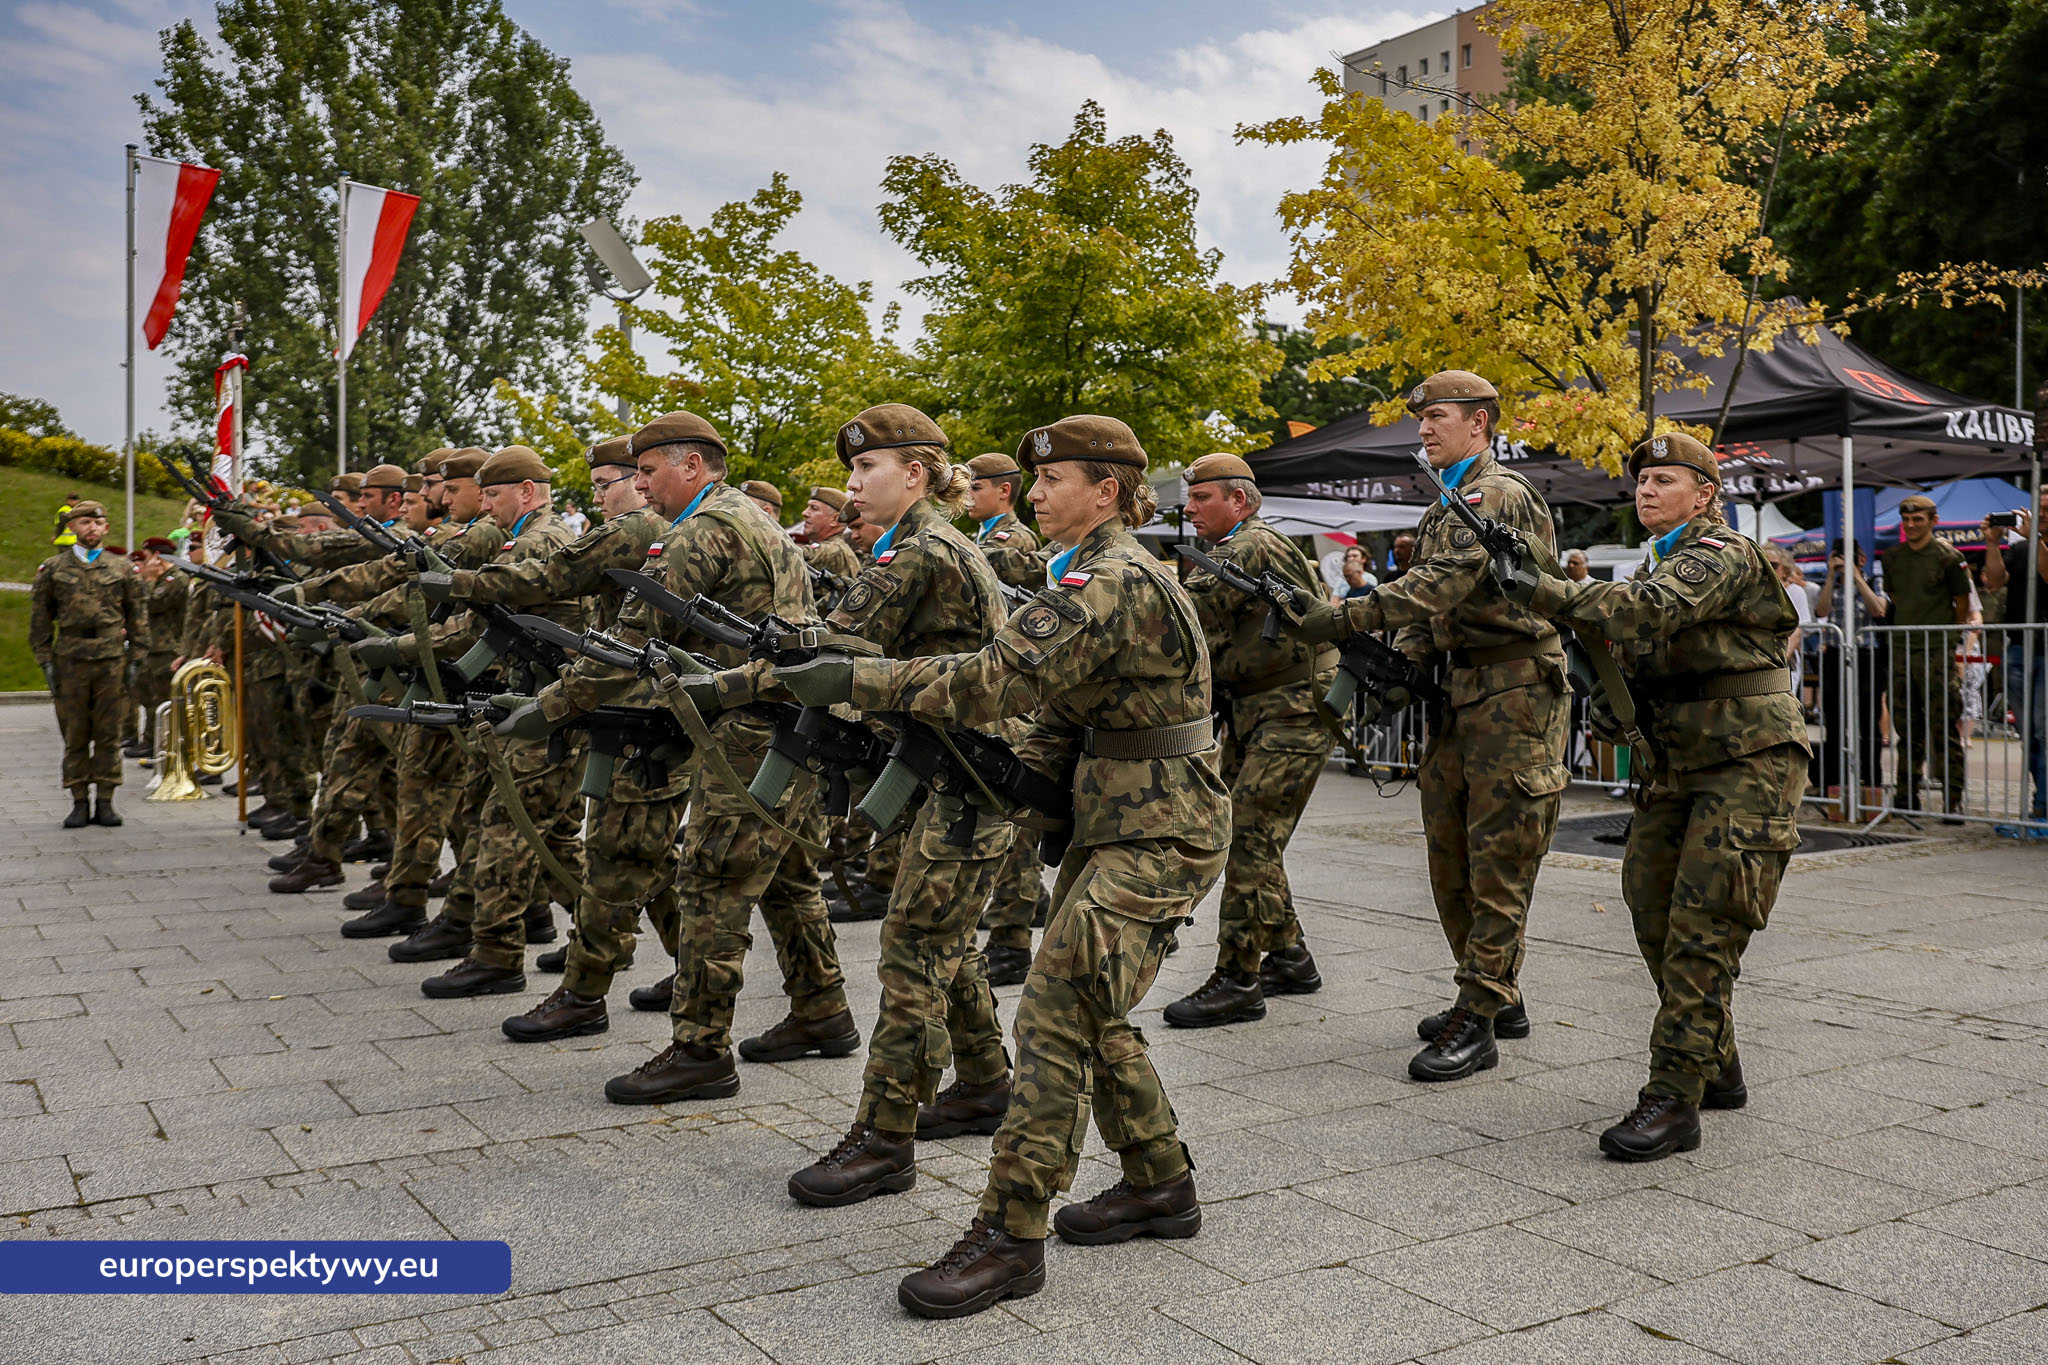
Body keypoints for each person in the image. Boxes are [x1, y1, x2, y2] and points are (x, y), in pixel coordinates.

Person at [766, 414, 1230, 1319]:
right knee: (1087, 1007)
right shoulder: (1088, 572)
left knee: (1056, 1007)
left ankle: (1010, 1233)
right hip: (1121, 817)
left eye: (1055, 479)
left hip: (1160, 830)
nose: (1035, 492)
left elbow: (990, 679)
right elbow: (1059, 706)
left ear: (1106, 491)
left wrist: (855, 682)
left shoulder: (1110, 579)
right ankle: (1160, 1180)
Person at [500, 411, 855, 1104]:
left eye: (646, 469)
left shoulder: (700, 533)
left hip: (747, 733)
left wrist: (544, 711)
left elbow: (624, 646)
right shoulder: (752, 519)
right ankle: (824, 1008)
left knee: (712, 884)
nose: (639, 483)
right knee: (786, 879)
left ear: (690, 466)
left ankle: (700, 1048)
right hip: (791, 728)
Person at [1496, 431, 1808, 1160]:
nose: (1646, 489)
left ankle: (1672, 1096)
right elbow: (1635, 651)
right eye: (1641, 480)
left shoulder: (1720, 554)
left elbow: (1642, 612)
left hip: (1747, 760)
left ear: (1705, 494)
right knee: (1652, 910)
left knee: (1704, 925)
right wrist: (1613, 704)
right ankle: (1713, 1060)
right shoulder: (1657, 561)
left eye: (1665, 479)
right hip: (1676, 761)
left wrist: (1540, 585)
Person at [741, 404, 1019, 1207]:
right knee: (944, 940)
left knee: (912, 950)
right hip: (952, 772)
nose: (854, 484)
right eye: (855, 471)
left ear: (918, 472)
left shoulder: (919, 554)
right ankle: (983, 1080)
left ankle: (885, 1138)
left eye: (868, 469)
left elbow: (826, 651)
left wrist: (721, 676)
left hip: (964, 781)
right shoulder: (926, 544)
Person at [1291, 371, 1567, 1082]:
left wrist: (1347, 614)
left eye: (1437, 417)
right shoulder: (1448, 501)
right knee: (1451, 855)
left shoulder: (1494, 494)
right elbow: (1436, 613)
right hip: (1462, 692)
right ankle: (1493, 990)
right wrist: (1397, 666)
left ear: (1480, 422)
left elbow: (1439, 584)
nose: (1423, 429)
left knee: (1499, 857)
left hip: (1514, 693)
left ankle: (1478, 1015)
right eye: (1421, 419)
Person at [1162, 453, 1334, 1028]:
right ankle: (1289, 955)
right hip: (1262, 708)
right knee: (1246, 832)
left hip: (1292, 709)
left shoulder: (1248, 547)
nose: (1189, 509)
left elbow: (1181, 622)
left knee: (1247, 837)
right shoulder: (1231, 549)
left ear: (1239, 500)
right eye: (1189, 499)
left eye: (1201, 498)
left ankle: (1239, 977)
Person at [964, 451, 1052, 987]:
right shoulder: (985, 541)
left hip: (1009, 702)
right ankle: (1010, 927)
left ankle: (1011, 940)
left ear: (1004, 492)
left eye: (977, 487)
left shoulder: (1010, 542)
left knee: (1015, 835)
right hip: (993, 696)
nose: (968, 494)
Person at [31, 500, 147, 828]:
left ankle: (107, 801)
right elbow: (40, 622)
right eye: (84, 523)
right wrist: (45, 662)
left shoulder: (123, 568)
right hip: (70, 660)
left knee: (110, 735)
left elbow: (139, 619)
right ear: (72, 527)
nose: (92, 528)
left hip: (111, 660)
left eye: (97, 523)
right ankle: (79, 801)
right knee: (75, 735)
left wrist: (136, 658)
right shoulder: (53, 569)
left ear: (106, 528)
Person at [1880, 494, 1971, 818]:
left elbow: (1962, 601)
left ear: (1934, 521)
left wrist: (1949, 634)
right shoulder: (1893, 557)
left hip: (1935, 651)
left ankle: (1953, 797)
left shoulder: (1948, 557)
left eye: (1918, 519)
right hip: (1903, 650)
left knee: (1942, 726)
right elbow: (1895, 596)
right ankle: (1906, 796)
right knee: (1906, 727)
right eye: (1907, 519)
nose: (1911, 524)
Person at [1983, 492, 2048, 821]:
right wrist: (1993, 543)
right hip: (2020, 645)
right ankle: (2042, 797)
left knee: (2043, 727)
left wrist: (2036, 538)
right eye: (2040, 510)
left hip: (2046, 647)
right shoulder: (2021, 548)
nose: (2043, 515)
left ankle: (2045, 803)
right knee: (2027, 730)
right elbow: (1994, 581)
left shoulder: (2033, 544)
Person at [1813, 538, 1889, 796]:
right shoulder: (1832, 584)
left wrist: (1857, 577)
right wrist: (1831, 576)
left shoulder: (1874, 579)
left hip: (1866, 654)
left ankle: (1872, 782)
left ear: (1861, 559)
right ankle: (1833, 782)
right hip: (1836, 654)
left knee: (1867, 720)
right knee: (1834, 719)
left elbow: (1879, 609)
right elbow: (1821, 611)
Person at [128, 538, 188, 759]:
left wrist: (149, 579)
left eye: (146, 557)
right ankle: (151, 741)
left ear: (156, 556)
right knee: (150, 698)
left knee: (162, 699)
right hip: (152, 646)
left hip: (167, 648)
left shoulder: (175, 579)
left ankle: (163, 744)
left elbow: (153, 604)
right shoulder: (162, 578)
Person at [799, 487, 865, 583]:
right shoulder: (836, 547)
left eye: (814, 508)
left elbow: (790, 555)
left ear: (835, 519)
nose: (805, 513)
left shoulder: (833, 549)